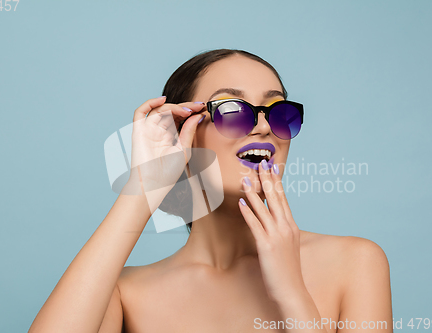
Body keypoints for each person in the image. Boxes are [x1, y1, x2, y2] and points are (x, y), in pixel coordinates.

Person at [28, 49, 393, 333]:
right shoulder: (124, 293)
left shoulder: (354, 263)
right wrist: (144, 186)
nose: (264, 127)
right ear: (182, 134)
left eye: (277, 111)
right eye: (232, 109)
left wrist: (292, 294)